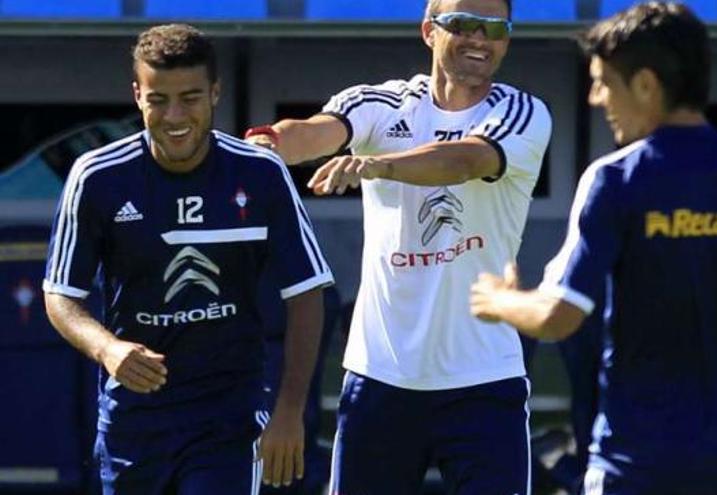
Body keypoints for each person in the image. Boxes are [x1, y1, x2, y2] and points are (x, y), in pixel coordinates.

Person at [469, 3, 717, 495]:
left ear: (646, 85)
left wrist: (497, 299)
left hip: (638, 467)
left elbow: (559, 316)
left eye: (603, 81)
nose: (594, 98)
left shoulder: (617, 179)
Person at [245, 0, 551, 492]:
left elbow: (463, 162)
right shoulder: (380, 103)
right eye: (463, 24)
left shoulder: (523, 113)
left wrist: (379, 165)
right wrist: (264, 145)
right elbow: (311, 134)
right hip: (379, 377)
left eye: (494, 28)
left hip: (484, 380)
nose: (480, 38)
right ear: (429, 30)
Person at [42, 24, 333, 495]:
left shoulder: (260, 173)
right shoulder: (96, 177)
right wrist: (108, 349)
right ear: (138, 95)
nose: (175, 115)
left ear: (215, 92)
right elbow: (60, 296)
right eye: (158, 99)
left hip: (229, 415)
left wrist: (289, 412)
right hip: (133, 419)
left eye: (191, 97)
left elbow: (307, 293)